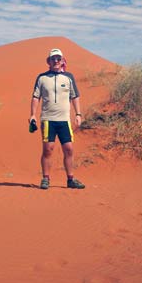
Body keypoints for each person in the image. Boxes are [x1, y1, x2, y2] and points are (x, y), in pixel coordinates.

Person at [29, 48, 85, 190]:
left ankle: (70, 179)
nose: (56, 61)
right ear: (48, 61)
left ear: (62, 60)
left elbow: (75, 96)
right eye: (53, 58)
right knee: (48, 149)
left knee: (69, 149)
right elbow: (36, 97)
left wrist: (78, 114)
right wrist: (32, 115)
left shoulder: (68, 77)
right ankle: (46, 178)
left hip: (64, 120)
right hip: (48, 119)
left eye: (58, 58)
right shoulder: (42, 78)